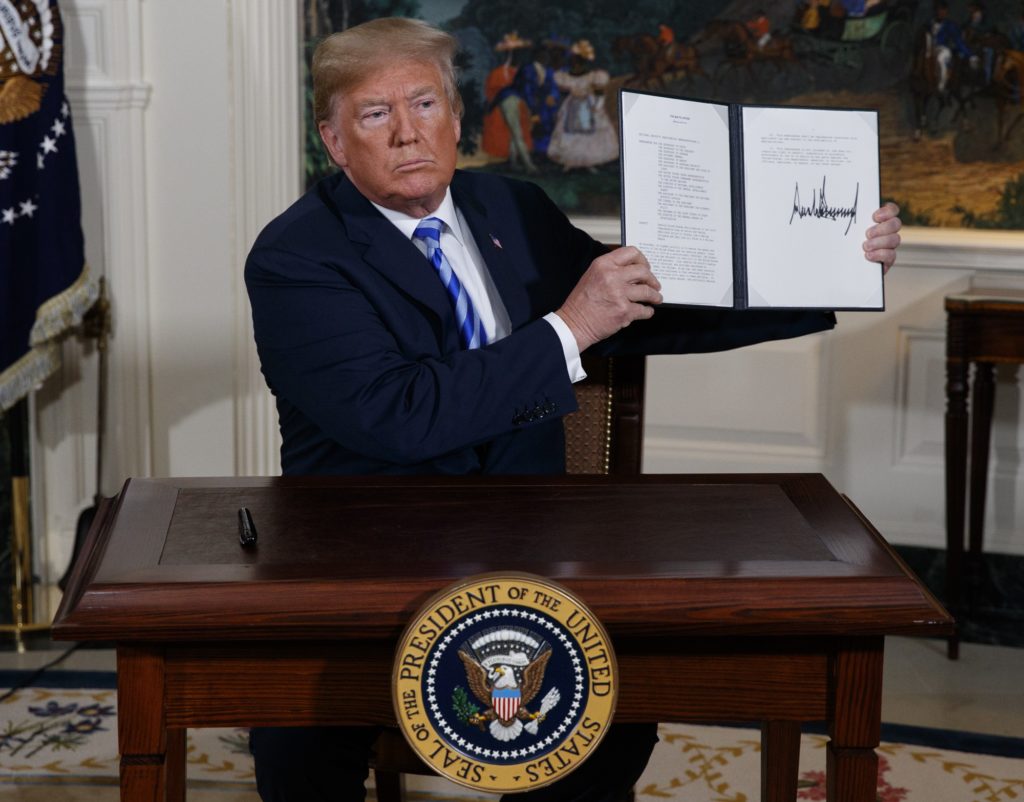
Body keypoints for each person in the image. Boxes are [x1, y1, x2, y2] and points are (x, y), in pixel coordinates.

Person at [244, 16, 901, 802]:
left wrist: (831, 266)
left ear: (457, 119)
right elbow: (400, 414)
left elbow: (652, 303)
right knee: (299, 739)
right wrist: (570, 327)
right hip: (363, 567)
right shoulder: (296, 256)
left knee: (614, 719)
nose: (407, 133)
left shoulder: (508, 208)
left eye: (424, 104)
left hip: (531, 549)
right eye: (375, 114)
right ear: (334, 140)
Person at [547, 39, 619, 171]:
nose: (574, 64)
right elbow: (562, 87)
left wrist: (597, 105)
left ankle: (588, 162)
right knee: (570, 132)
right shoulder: (565, 76)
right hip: (572, 105)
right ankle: (570, 161)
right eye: (573, 61)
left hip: (588, 105)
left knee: (588, 134)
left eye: (577, 61)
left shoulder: (594, 76)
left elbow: (600, 92)